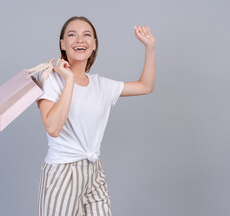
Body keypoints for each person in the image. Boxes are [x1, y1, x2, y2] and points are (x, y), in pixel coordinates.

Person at [36, 16, 155, 216]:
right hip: (62, 172)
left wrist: (150, 48)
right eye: (72, 35)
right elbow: (53, 127)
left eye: (87, 35)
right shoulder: (50, 79)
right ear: (62, 44)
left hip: (93, 170)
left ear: (94, 45)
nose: (80, 39)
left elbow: (145, 86)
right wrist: (69, 80)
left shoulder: (101, 85)